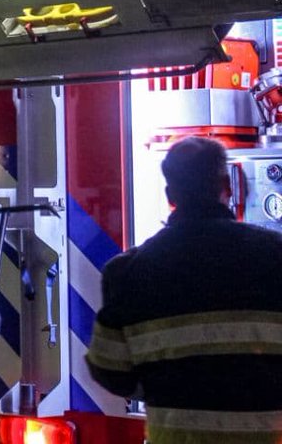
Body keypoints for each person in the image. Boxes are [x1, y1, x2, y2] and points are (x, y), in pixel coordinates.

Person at [86, 136, 282, 442]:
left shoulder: (126, 272)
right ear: (227, 187)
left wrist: (164, 379)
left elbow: (109, 370)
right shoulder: (276, 255)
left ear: (169, 194)